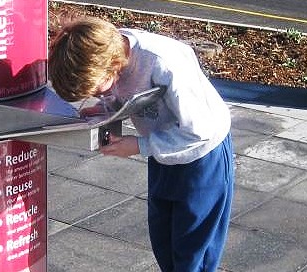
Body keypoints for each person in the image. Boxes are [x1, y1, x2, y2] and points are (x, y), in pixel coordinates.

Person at [48, 17, 234, 272]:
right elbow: (125, 93)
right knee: (164, 242)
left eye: (98, 91)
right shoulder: (107, 50)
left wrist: (139, 146)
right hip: (164, 152)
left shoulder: (162, 63)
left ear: (114, 64)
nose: (98, 95)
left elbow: (199, 131)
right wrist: (107, 107)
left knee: (193, 253)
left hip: (202, 157)